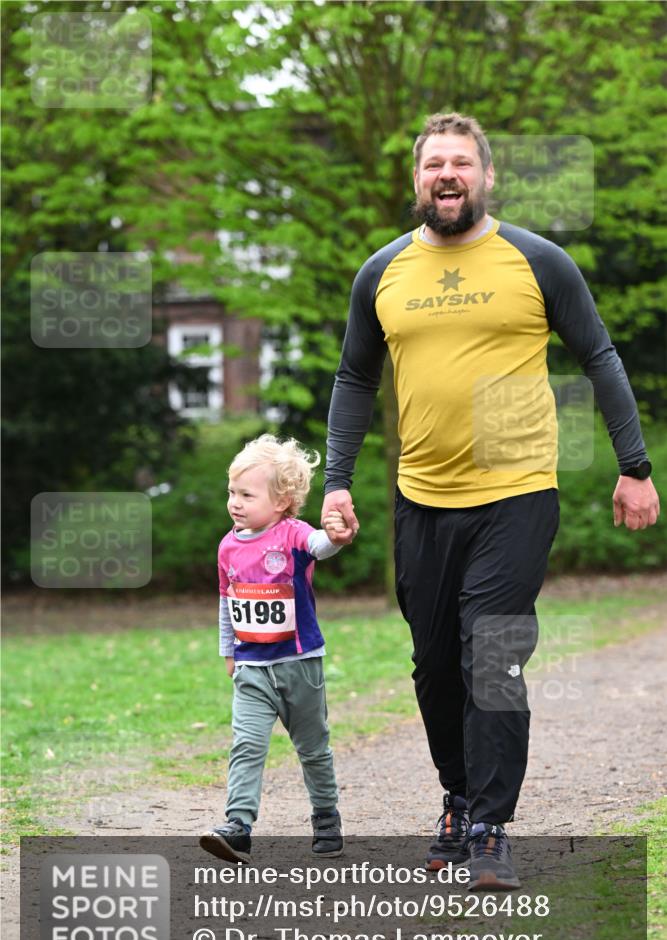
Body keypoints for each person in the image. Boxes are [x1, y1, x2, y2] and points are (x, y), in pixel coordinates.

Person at [322, 112, 660, 890]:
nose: (446, 174)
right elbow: (353, 378)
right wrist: (336, 480)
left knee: (493, 654)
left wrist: (633, 465)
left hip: (516, 494)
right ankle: (457, 797)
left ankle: (488, 827)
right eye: (432, 163)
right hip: (421, 498)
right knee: (435, 665)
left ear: (486, 176)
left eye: (461, 162)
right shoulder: (381, 273)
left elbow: (598, 356)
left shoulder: (537, 261)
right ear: (416, 179)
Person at [200, 434, 346, 864]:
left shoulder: (292, 533)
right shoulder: (228, 546)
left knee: (313, 748)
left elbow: (321, 546)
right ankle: (238, 827)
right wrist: (228, 652)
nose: (235, 502)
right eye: (232, 492)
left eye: (247, 495)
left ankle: (326, 816)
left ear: (282, 501)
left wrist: (336, 535)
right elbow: (226, 602)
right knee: (246, 745)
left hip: (299, 664)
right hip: (251, 666)